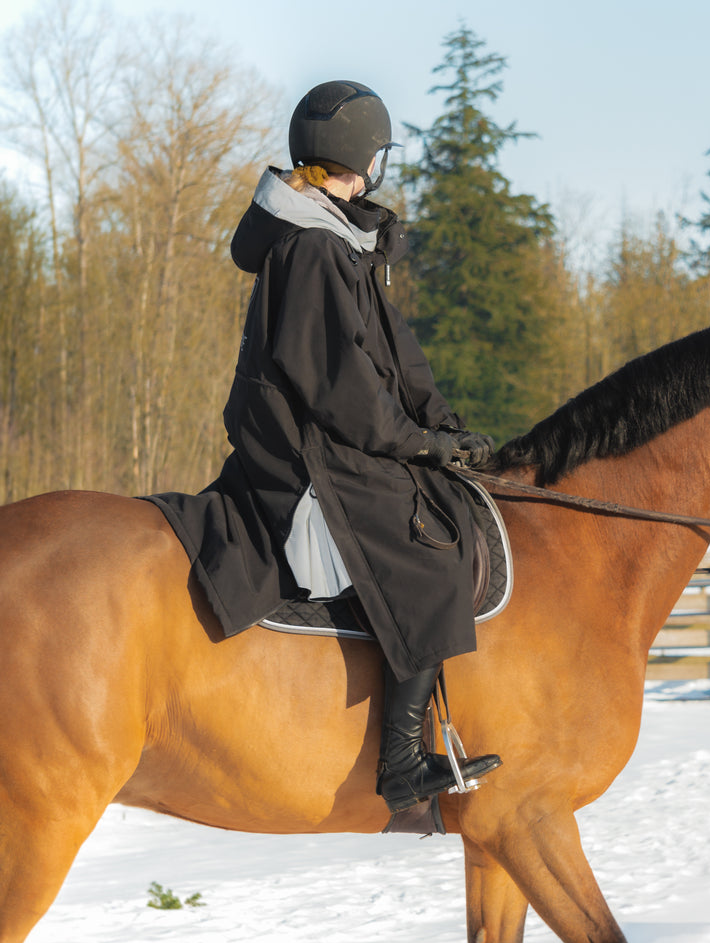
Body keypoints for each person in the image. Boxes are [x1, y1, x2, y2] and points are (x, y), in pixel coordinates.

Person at [145, 80, 501, 814]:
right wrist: (417, 444)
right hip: (307, 454)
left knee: (438, 504)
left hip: (333, 436)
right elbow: (342, 388)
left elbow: (394, 358)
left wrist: (443, 425)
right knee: (429, 551)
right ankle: (402, 759)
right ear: (364, 157)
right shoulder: (311, 247)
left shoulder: (339, 238)